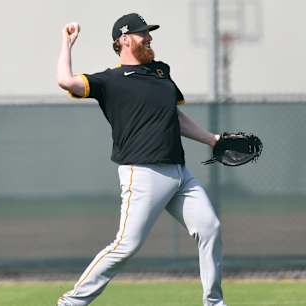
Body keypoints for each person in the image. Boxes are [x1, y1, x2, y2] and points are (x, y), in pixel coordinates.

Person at [56, 13, 226, 306]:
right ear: (124, 40)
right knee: (126, 246)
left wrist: (212, 140)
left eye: (148, 32)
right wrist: (67, 43)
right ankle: (72, 302)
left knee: (210, 227)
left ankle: (214, 303)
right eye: (142, 33)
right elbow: (65, 81)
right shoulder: (110, 80)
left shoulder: (161, 72)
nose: (148, 37)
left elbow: (174, 117)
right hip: (143, 173)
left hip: (179, 172)